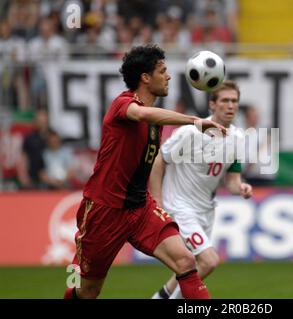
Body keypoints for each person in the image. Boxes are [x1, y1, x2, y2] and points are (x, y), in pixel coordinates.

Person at [63, 44, 226, 299]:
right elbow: (142, 113)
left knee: (186, 261)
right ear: (145, 78)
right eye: (163, 71)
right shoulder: (123, 104)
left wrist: (156, 200)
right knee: (87, 291)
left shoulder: (154, 122)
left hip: (140, 208)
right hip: (105, 211)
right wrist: (195, 121)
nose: (169, 76)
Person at [150, 80, 253, 299]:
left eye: (234, 101)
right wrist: (157, 202)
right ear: (212, 105)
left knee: (191, 266)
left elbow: (232, 180)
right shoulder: (190, 132)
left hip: (206, 210)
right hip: (179, 206)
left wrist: (241, 187)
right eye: (225, 100)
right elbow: (160, 159)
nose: (230, 105)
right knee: (209, 261)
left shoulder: (238, 138)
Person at [16, 109, 49, 189]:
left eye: (43, 121)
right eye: (39, 120)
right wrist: (23, 175)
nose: (42, 123)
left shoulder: (53, 137)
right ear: (35, 122)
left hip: (51, 178)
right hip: (33, 178)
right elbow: (23, 157)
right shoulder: (29, 138)